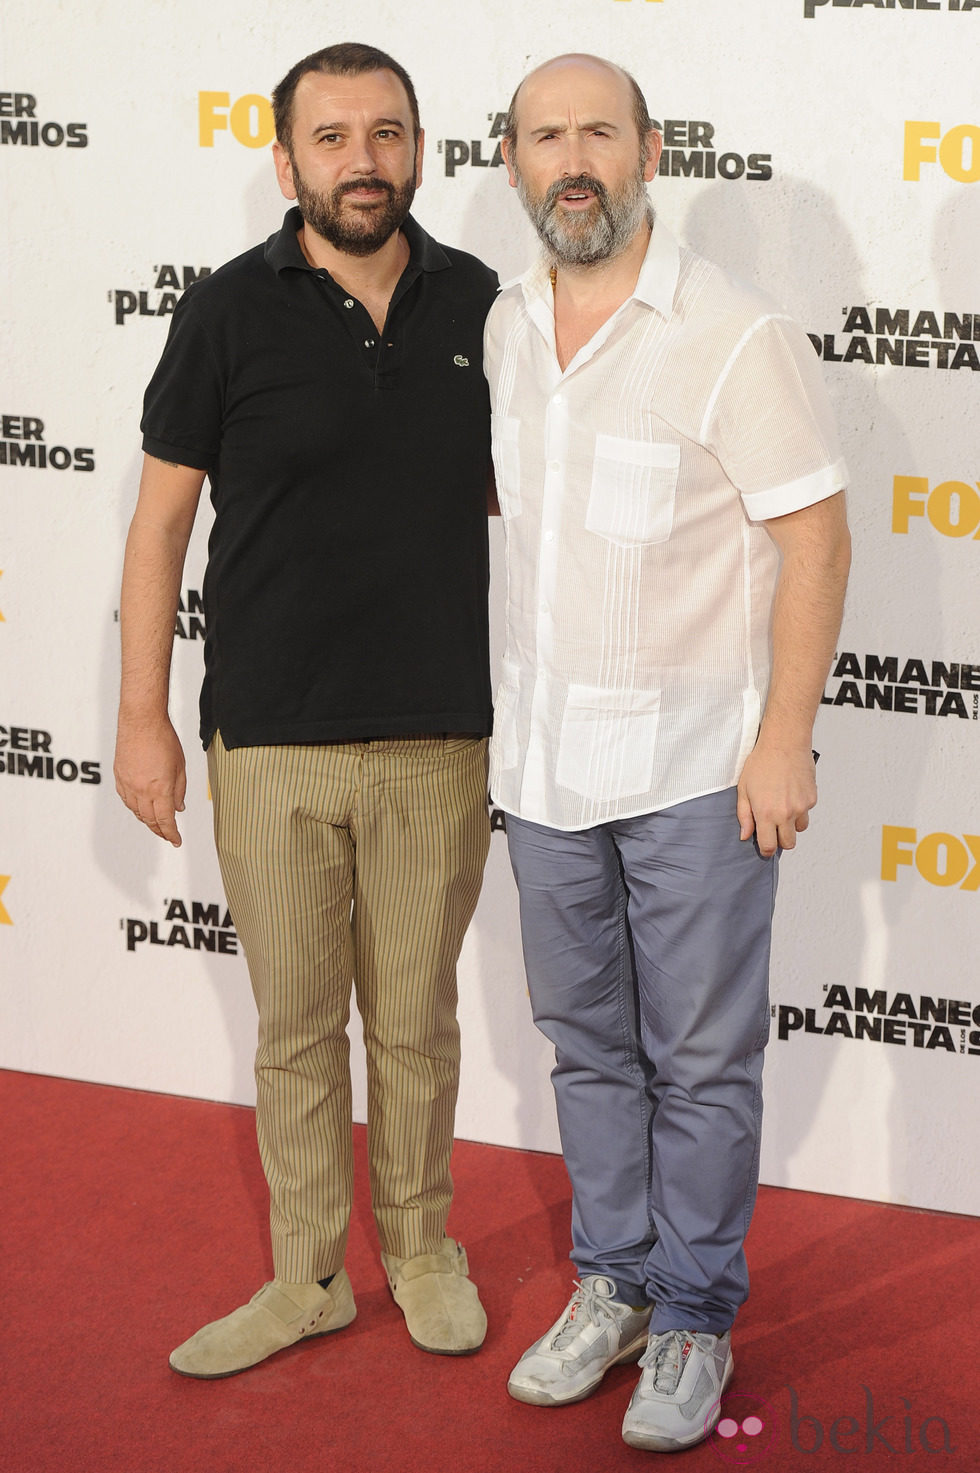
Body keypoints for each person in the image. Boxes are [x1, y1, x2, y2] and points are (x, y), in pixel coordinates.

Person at [113, 42, 497, 1378]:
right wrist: (144, 718)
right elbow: (160, 530)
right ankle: (309, 1276)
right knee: (292, 1030)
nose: (362, 160)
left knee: (416, 1020)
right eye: (331, 138)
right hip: (267, 737)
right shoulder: (224, 313)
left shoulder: (483, 305)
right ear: (286, 162)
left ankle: (428, 1249)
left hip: (438, 732)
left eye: (386, 132)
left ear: (420, 148)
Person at [485, 53, 850, 1453]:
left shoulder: (735, 332)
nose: (572, 159)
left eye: (598, 132)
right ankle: (617, 1281)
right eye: (544, 136)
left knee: (698, 1060)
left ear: (649, 148)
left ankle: (695, 1312)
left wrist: (784, 740)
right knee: (587, 1049)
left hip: (702, 771)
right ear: (513, 162)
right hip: (545, 775)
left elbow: (815, 537)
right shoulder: (505, 326)